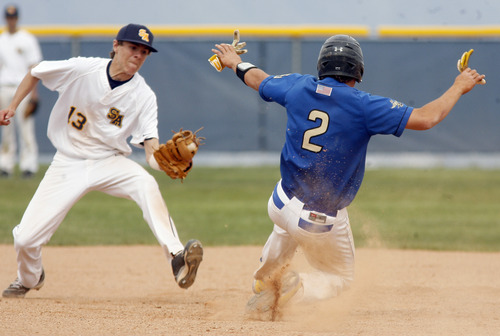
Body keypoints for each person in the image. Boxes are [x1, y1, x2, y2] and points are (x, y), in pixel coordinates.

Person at [211, 35, 485, 315]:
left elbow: (258, 78)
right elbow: (427, 118)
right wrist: (458, 86)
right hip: (318, 219)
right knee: (340, 279)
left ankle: (264, 282)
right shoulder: (363, 106)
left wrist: (235, 62)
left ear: (322, 66)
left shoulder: (297, 86)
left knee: (284, 226)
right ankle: (294, 288)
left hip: (280, 201)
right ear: (358, 71)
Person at [1, 23, 203, 298]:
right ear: (116, 45)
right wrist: (12, 106)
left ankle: (178, 257)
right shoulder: (83, 69)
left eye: (144, 52)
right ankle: (30, 277)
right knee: (25, 239)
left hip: (109, 162)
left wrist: (164, 164)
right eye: (133, 48)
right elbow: (35, 72)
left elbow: (151, 150)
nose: (139, 55)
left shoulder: (143, 95)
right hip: (68, 162)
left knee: (146, 184)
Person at [0, 4, 42, 178]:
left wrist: (34, 94)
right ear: (5, 18)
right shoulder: (1, 39)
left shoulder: (27, 39)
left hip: (22, 88)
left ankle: (28, 165)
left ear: (17, 18)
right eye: (9, 17)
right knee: (6, 129)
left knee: (25, 128)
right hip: (4, 87)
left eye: (13, 17)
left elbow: (34, 67)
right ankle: (5, 164)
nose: (11, 20)